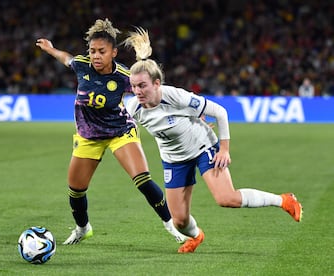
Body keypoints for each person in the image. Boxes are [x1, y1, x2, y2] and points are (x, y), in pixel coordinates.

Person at [124, 27, 303, 253]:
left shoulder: (176, 97)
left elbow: (220, 112)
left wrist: (224, 149)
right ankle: (197, 236)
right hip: (173, 159)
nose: (137, 91)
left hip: (202, 147)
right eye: (133, 86)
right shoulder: (133, 108)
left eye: (142, 85)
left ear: (157, 84)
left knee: (226, 198)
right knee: (179, 221)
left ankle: (284, 200)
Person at [35, 19, 188, 246]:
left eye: (101, 52)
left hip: (120, 132)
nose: (96, 56)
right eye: (92, 51)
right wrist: (50, 49)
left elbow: (156, 91)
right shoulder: (82, 65)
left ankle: (172, 225)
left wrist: (190, 109)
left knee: (143, 179)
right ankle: (82, 228)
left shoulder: (124, 76)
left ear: (113, 52)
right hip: (88, 136)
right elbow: (66, 58)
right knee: (76, 190)